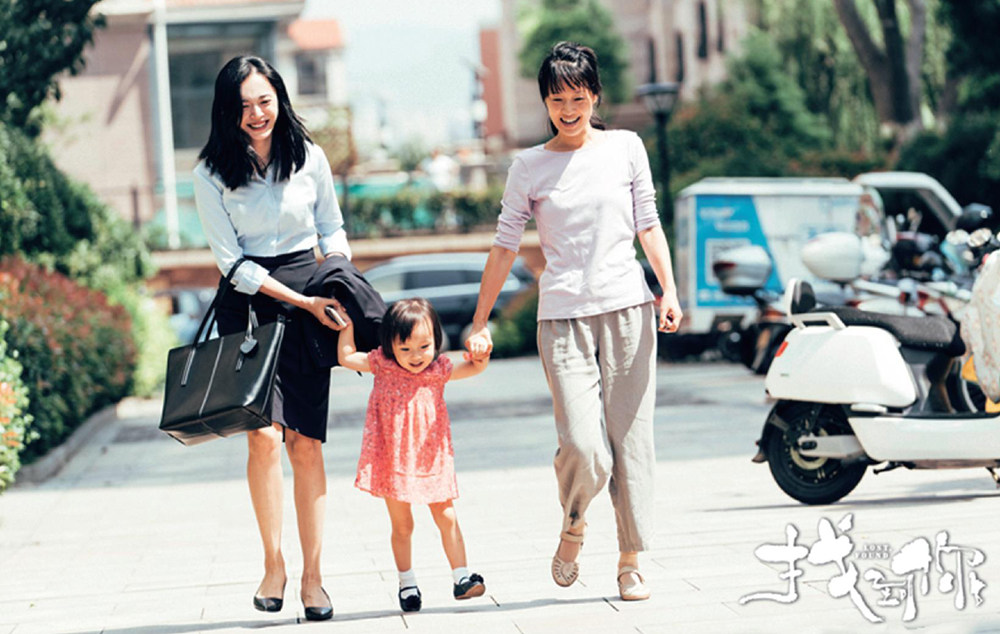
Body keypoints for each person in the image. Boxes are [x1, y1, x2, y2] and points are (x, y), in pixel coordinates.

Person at [465, 41, 682, 602]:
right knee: (584, 445)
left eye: (578, 98)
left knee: (632, 441)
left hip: (628, 309)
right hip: (562, 318)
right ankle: (574, 524)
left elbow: (648, 224)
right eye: (557, 99)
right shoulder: (529, 166)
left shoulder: (627, 147)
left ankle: (630, 560)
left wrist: (668, 290)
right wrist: (480, 320)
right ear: (545, 100)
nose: (568, 109)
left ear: (595, 97)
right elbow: (504, 246)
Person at [192, 55, 349, 621]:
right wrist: (300, 300)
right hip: (249, 305)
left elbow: (331, 227)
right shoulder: (209, 173)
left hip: (310, 296)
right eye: (244, 106)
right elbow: (231, 263)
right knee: (261, 438)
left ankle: (314, 577)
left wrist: (336, 276)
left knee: (305, 443)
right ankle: (273, 563)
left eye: (264, 100)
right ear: (226, 112)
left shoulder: (310, 157)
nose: (256, 114)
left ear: (279, 98)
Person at [336, 297, 489, 612]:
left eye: (424, 346)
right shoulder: (383, 365)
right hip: (393, 459)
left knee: (446, 516)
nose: (416, 356)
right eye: (405, 348)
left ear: (436, 340)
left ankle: (462, 577)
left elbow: (475, 367)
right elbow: (347, 357)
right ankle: (407, 583)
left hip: (432, 456)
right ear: (390, 345)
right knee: (402, 524)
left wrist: (481, 353)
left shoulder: (439, 369)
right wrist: (347, 325)